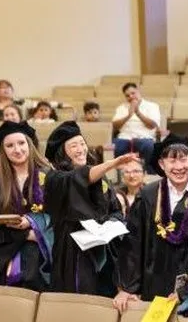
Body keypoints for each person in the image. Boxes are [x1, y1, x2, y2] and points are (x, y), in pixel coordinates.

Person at [43, 121, 136, 296]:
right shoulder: (55, 178)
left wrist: (110, 225)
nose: (81, 149)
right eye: (73, 146)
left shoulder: (102, 179)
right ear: (62, 152)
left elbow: (115, 210)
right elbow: (79, 177)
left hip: (104, 250)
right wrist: (112, 163)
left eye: (82, 143)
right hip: (73, 252)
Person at [114, 135, 188, 311]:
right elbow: (133, 244)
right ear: (162, 164)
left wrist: (187, 290)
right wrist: (127, 288)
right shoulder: (148, 195)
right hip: (152, 283)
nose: (178, 167)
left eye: (183, 159)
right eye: (172, 160)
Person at [0, 121, 54, 291]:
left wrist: (37, 229)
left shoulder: (50, 176)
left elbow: (60, 214)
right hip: (10, 255)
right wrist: (27, 235)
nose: (17, 149)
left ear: (29, 144)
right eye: (10, 145)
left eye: (21, 143)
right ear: (3, 151)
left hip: (45, 256)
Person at [111, 82, 161, 171]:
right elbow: (115, 126)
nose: (131, 97)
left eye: (133, 93)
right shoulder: (121, 108)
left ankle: (150, 174)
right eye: (127, 95)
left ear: (138, 91)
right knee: (115, 146)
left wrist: (138, 112)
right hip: (124, 138)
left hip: (145, 138)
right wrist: (128, 116)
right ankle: (118, 176)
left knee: (149, 146)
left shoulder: (152, 106)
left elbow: (152, 125)